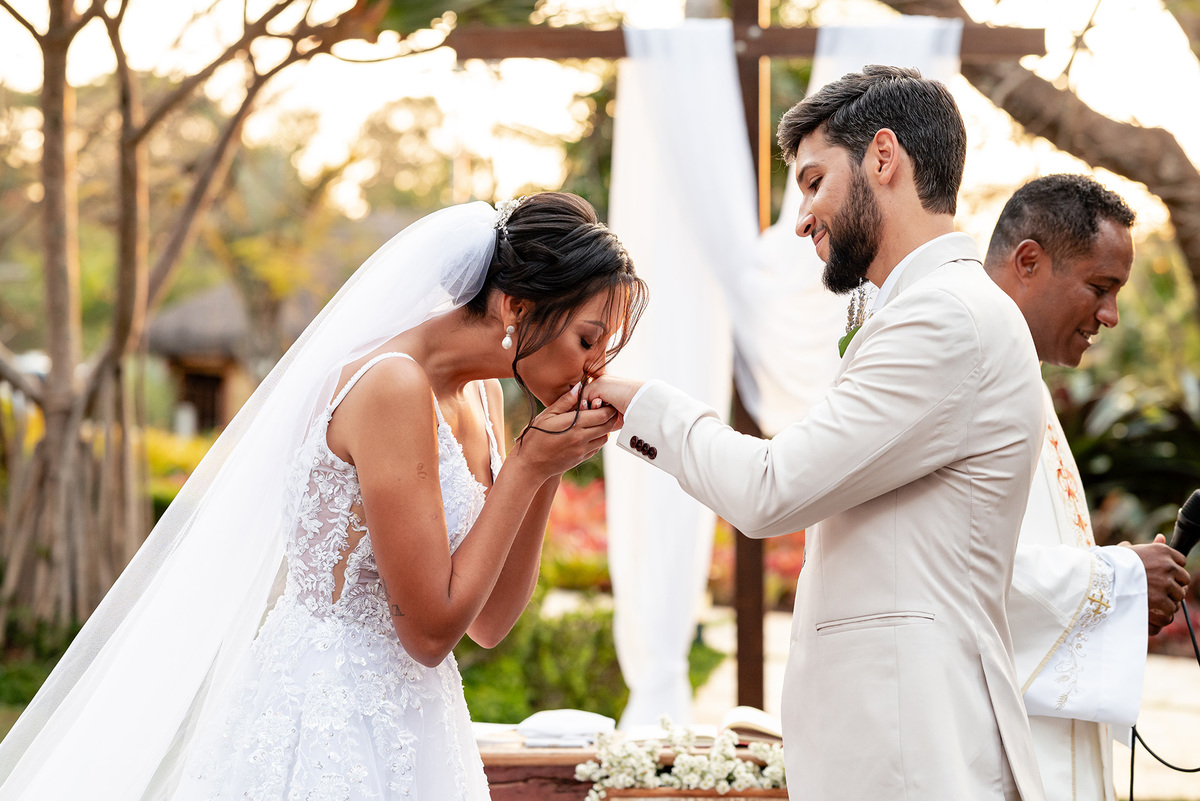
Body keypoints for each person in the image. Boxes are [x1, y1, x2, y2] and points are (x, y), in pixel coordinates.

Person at [0, 193, 647, 800]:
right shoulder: (393, 387)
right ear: (516, 308)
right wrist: (528, 468)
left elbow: (488, 621)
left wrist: (548, 466)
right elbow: (427, 630)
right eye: (587, 340)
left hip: (419, 720)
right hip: (331, 713)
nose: (595, 370)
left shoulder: (483, 395)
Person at [587, 65, 1047, 800]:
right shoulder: (927, 310)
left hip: (917, 756)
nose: (800, 217)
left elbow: (772, 490)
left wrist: (642, 404)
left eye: (812, 182)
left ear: (884, 158)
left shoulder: (943, 318)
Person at [983, 174, 1191, 801]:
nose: (1112, 315)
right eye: (1101, 288)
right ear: (1028, 261)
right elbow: (943, 571)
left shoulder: (1024, 378)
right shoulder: (967, 367)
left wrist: (1129, 583)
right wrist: (1121, 579)